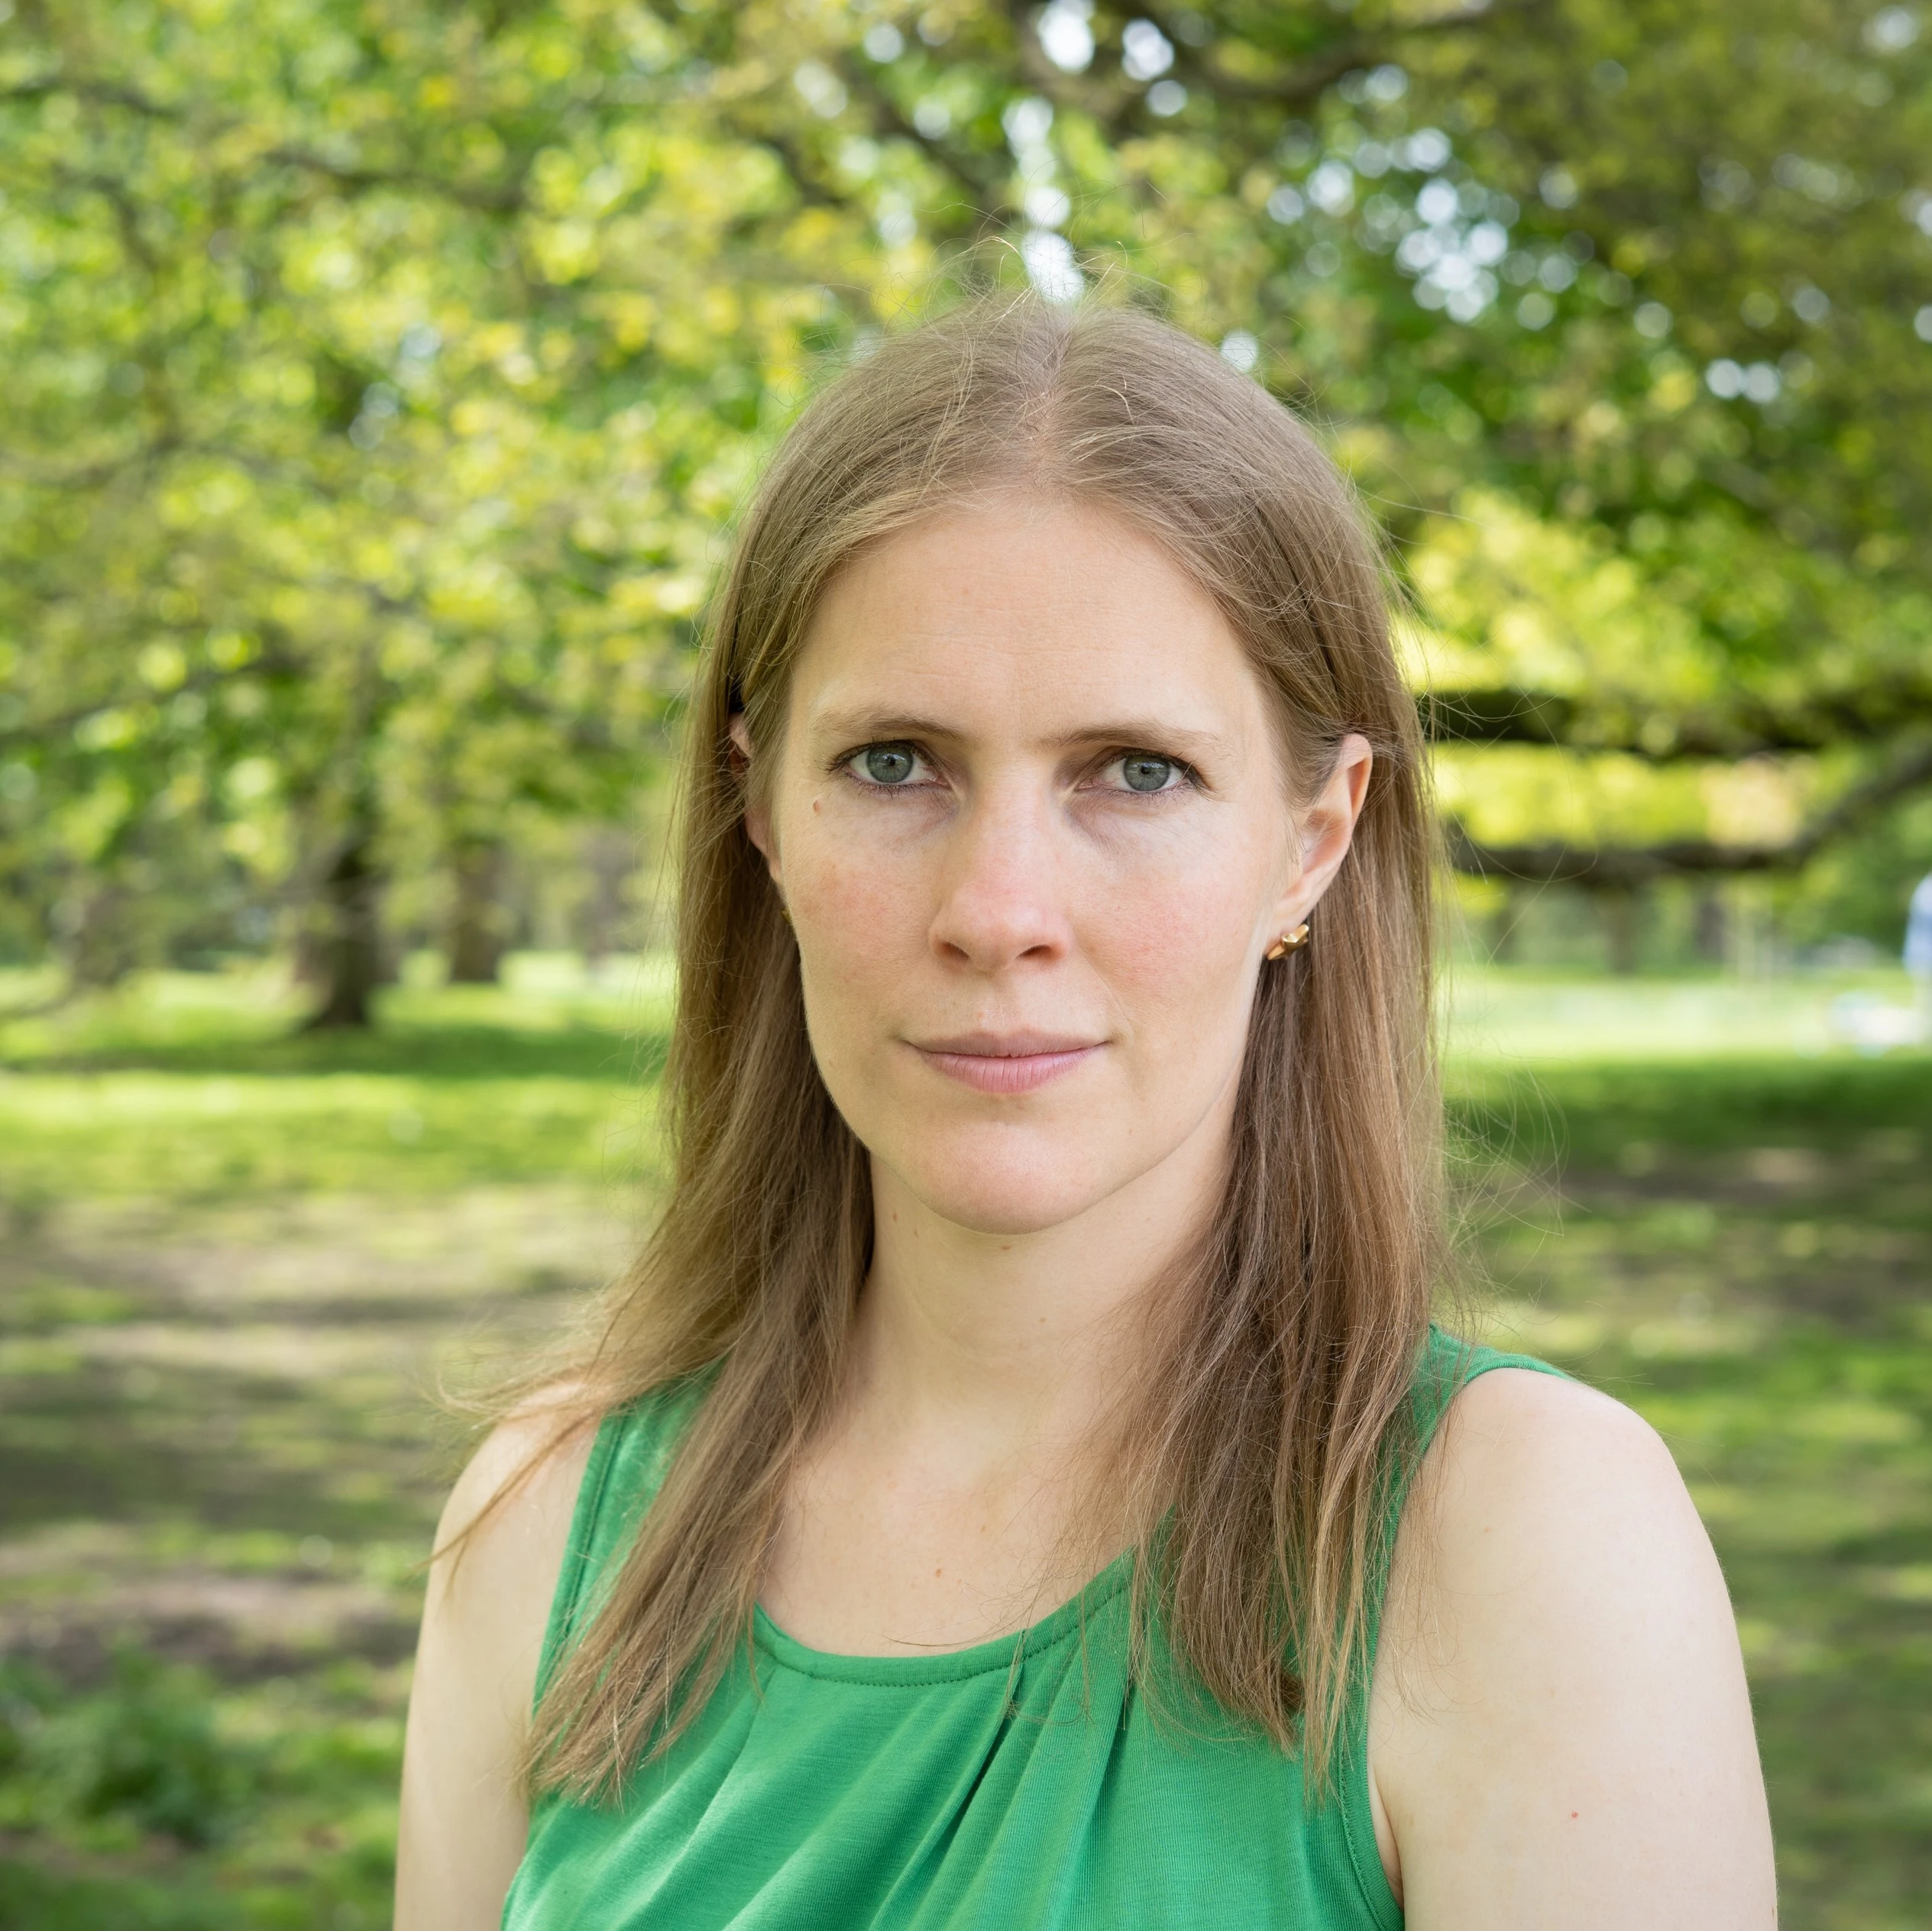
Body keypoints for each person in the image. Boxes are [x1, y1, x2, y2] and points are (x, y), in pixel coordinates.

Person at [394, 297, 1776, 1929]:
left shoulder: (1520, 1543)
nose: (1000, 907)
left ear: (1313, 838)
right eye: (896, 763)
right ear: (756, 805)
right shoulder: (548, 1519)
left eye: (1134, 771)